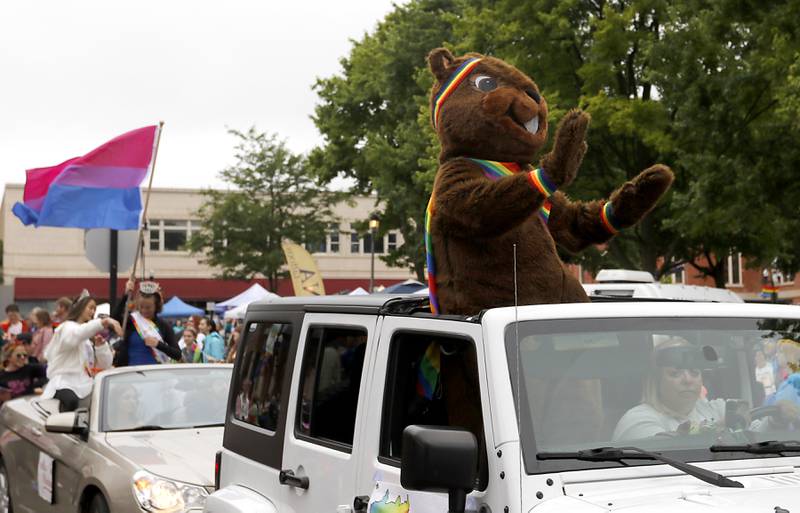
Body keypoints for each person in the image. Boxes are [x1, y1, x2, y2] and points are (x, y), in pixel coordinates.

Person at [613, 338, 800, 441]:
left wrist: (775, 421)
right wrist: (720, 426)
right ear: (656, 380)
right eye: (675, 373)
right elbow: (665, 449)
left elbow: (758, 436)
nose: (688, 380)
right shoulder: (637, 421)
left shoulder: (717, 409)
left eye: (694, 372)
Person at [41, 291, 122, 412]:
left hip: (85, 383)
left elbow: (105, 365)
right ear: (80, 307)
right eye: (90, 307)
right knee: (71, 401)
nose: (93, 312)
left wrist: (101, 348)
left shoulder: (87, 339)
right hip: (65, 381)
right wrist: (103, 322)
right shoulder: (66, 327)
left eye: (94, 309)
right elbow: (75, 335)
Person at [112, 279, 182, 366]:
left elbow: (178, 355)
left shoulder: (163, 325)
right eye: (141, 307)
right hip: (130, 373)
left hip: (154, 374)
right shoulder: (132, 321)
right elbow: (114, 318)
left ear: (156, 306)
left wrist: (158, 344)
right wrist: (126, 294)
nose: (144, 310)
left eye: (148, 307)